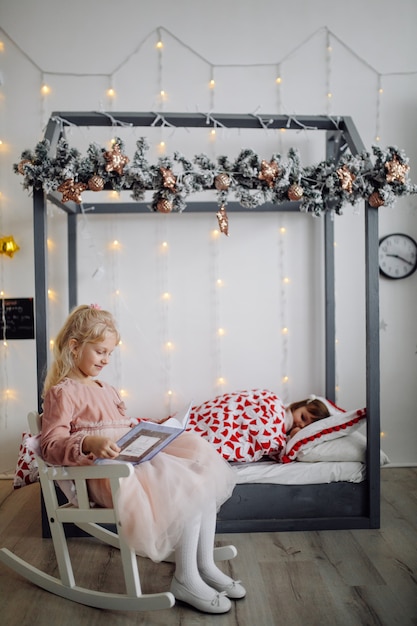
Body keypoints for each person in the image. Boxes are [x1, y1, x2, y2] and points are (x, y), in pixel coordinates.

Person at [40, 304, 245, 614]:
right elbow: (50, 445)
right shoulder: (64, 392)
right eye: (100, 352)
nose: (106, 360)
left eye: (110, 353)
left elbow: (118, 426)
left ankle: (203, 564)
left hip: (130, 463)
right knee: (182, 481)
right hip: (105, 477)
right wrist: (88, 443)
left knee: (198, 464)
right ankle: (186, 578)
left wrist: (145, 432)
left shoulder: (106, 389)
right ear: (74, 346)